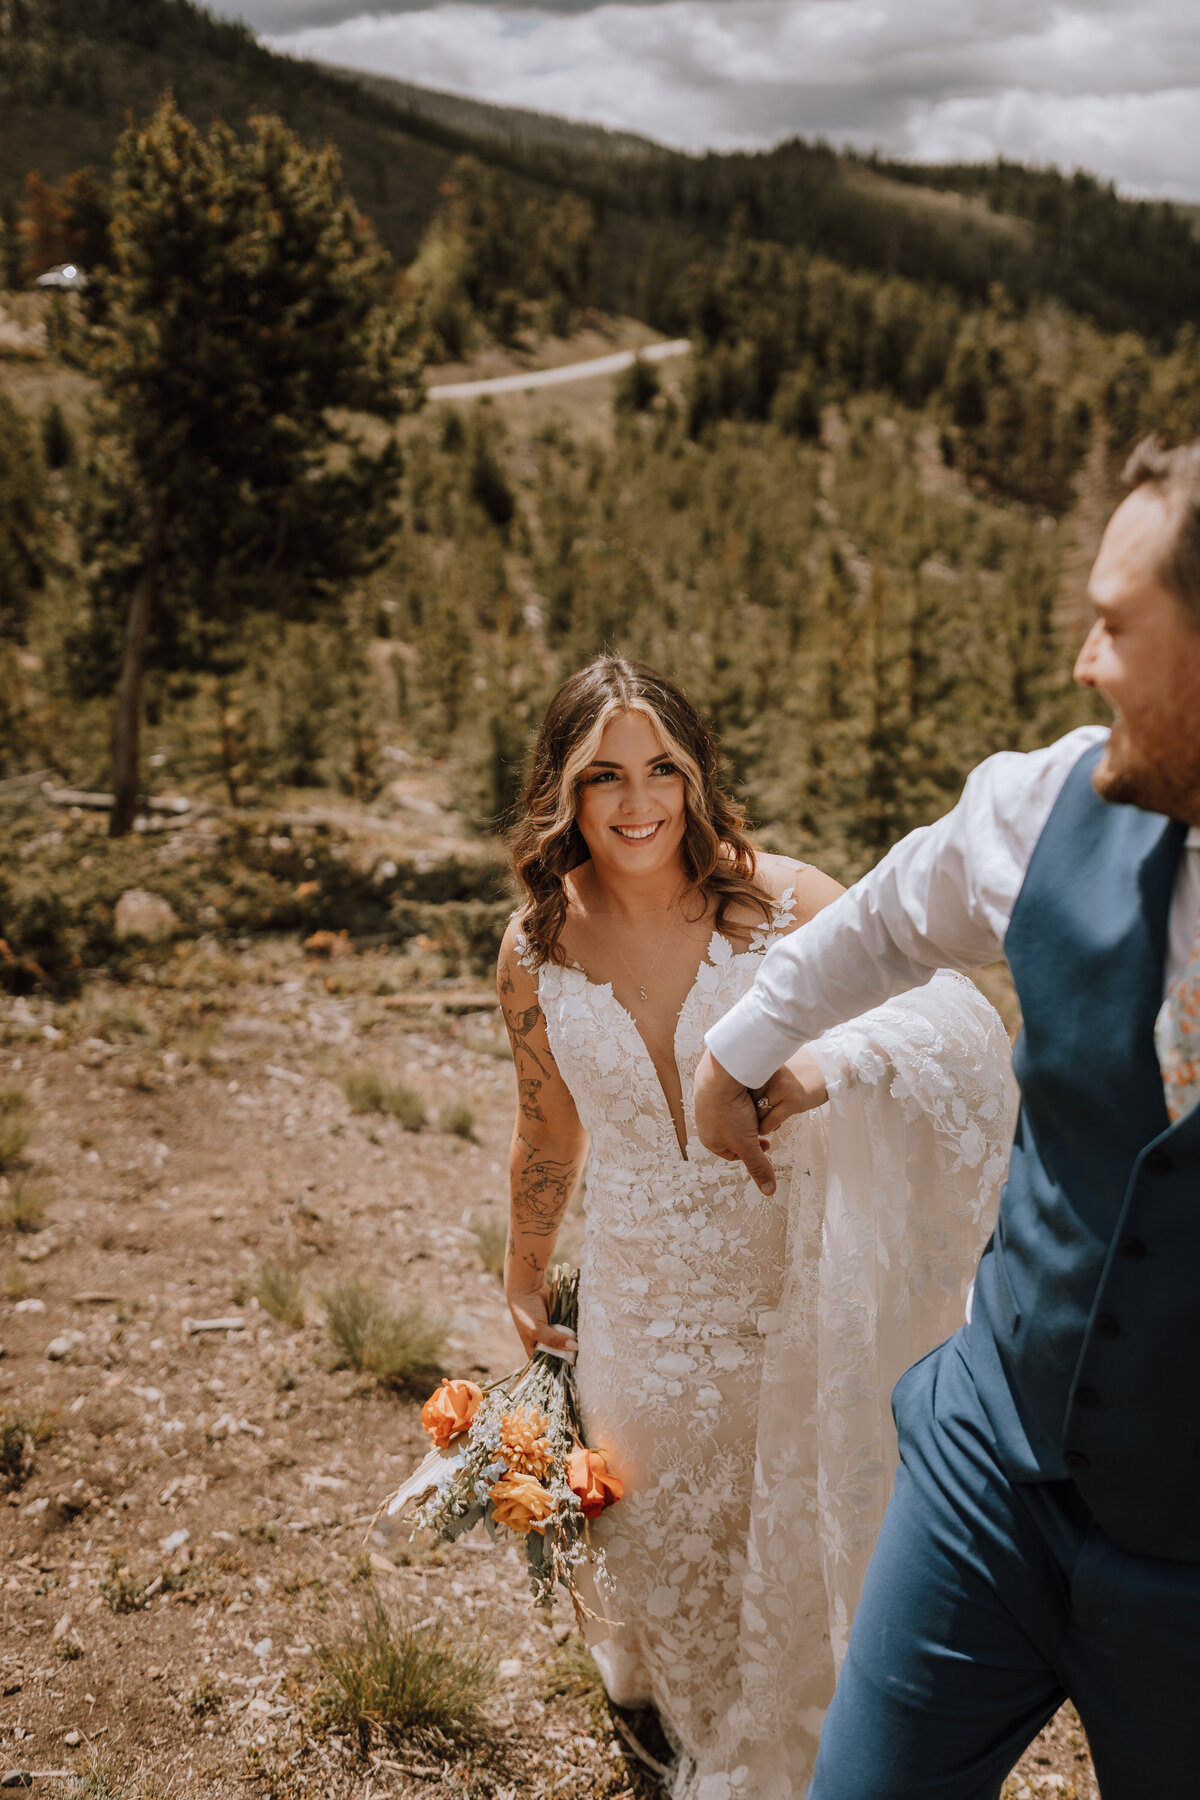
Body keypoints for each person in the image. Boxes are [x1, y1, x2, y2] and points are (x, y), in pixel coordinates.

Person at [694, 437, 1200, 1800]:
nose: (1085, 664)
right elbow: (890, 913)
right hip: (989, 1471)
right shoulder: (1046, 806)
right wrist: (742, 1046)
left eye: (1116, 626)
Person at [496, 655, 1016, 1799]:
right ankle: (688, 1740)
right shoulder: (534, 948)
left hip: (790, 1293)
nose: (639, 804)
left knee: (803, 1561)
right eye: (605, 778)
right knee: (664, 1565)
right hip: (640, 1310)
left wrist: (826, 1068)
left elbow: (951, 1031)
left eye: (662, 770)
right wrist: (523, 1271)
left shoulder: (788, 903)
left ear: (695, 775)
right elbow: (547, 1131)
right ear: (564, 794)